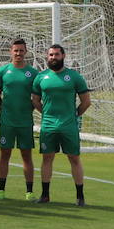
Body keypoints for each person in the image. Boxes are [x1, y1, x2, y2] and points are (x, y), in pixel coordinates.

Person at [32, 43, 92, 206]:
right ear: (47, 57)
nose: (53, 57)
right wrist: (46, 114)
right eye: (51, 55)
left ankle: (80, 197)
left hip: (68, 126)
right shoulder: (41, 77)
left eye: (57, 54)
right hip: (48, 126)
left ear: (63, 56)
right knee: (47, 158)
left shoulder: (74, 76)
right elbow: (35, 100)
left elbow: (86, 102)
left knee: (74, 158)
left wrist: (75, 115)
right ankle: (45, 195)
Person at [0, 38, 38, 201]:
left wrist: (29, 109)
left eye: (21, 50)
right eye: (15, 50)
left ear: (26, 52)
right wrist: (2, 109)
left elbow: (36, 97)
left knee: (26, 155)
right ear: (11, 51)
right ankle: (1, 191)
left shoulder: (33, 73)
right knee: (5, 154)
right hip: (7, 121)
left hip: (25, 121)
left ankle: (29, 192)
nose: (18, 53)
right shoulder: (3, 71)